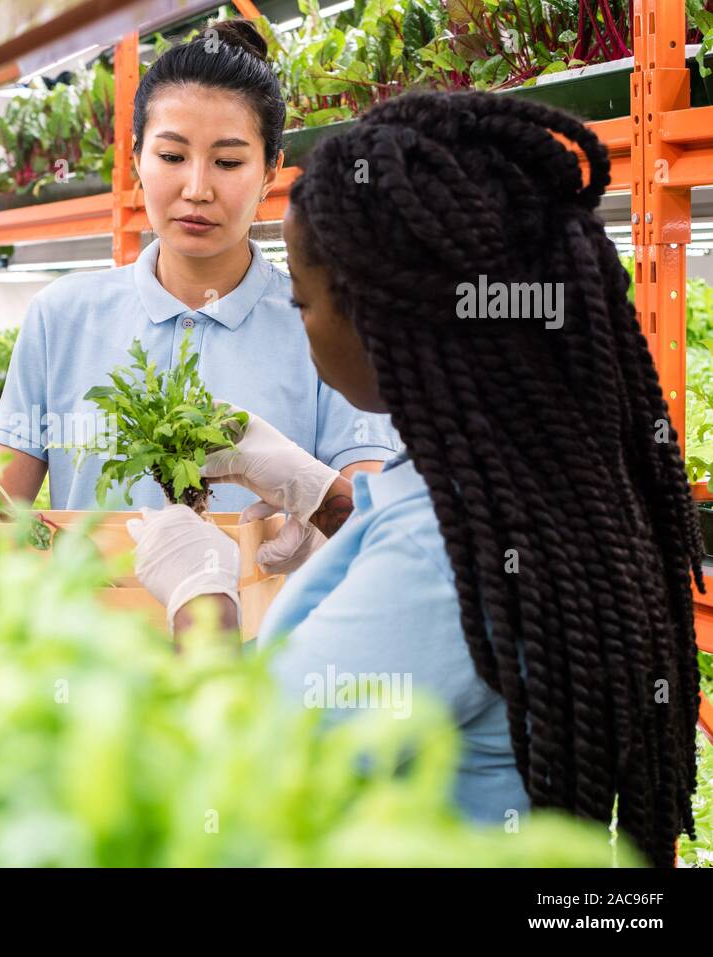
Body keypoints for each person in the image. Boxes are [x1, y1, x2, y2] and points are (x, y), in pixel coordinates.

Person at [127, 90, 704, 867]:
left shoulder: (445, 559)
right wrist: (323, 492)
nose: (299, 326)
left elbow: (229, 775)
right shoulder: (526, 489)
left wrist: (200, 600)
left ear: (378, 319)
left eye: (302, 301)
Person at [0, 19, 397, 564]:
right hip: (84, 640)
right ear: (136, 159)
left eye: (228, 162)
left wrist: (316, 497)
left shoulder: (326, 322)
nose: (197, 189)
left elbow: (374, 530)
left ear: (272, 170)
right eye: (172, 157)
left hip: (264, 639)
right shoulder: (60, 316)